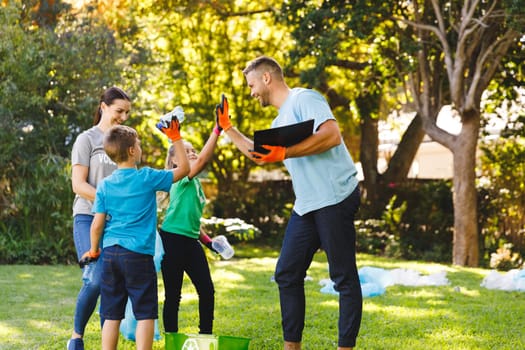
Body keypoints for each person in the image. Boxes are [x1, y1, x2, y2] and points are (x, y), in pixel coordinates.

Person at [215, 56, 362, 350]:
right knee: (286, 273)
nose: (252, 91)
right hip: (307, 203)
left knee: (343, 277)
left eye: (252, 84)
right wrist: (228, 128)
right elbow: (259, 154)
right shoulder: (278, 122)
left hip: (334, 195)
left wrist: (284, 153)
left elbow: (332, 135)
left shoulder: (304, 98)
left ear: (267, 78)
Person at [81, 122, 190, 349]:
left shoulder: (104, 185)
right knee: (145, 313)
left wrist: (94, 250)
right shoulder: (147, 177)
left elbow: (97, 225)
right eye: (138, 144)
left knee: (111, 314)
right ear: (132, 151)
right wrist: (176, 137)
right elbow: (184, 170)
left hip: (111, 254)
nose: (140, 148)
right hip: (138, 255)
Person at [68, 86, 132, 350]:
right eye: (119, 111)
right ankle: (76, 337)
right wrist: (107, 202)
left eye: (127, 112)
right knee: (94, 278)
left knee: (114, 283)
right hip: (87, 217)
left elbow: (130, 181)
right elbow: (78, 185)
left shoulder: (127, 141)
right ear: (103, 106)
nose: (124, 117)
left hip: (118, 221)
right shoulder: (87, 140)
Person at [159, 123, 222, 335]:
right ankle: (172, 341)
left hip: (190, 241)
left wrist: (208, 241)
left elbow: (192, 219)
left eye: (193, 149)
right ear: (175, 160)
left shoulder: (195, 183)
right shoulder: (181, 177)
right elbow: (203, 160)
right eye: (185, 152)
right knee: (173, 295)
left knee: (207, 290)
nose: (193, 153)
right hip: (172, 240)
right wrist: (217, 130)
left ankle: (205, 336)